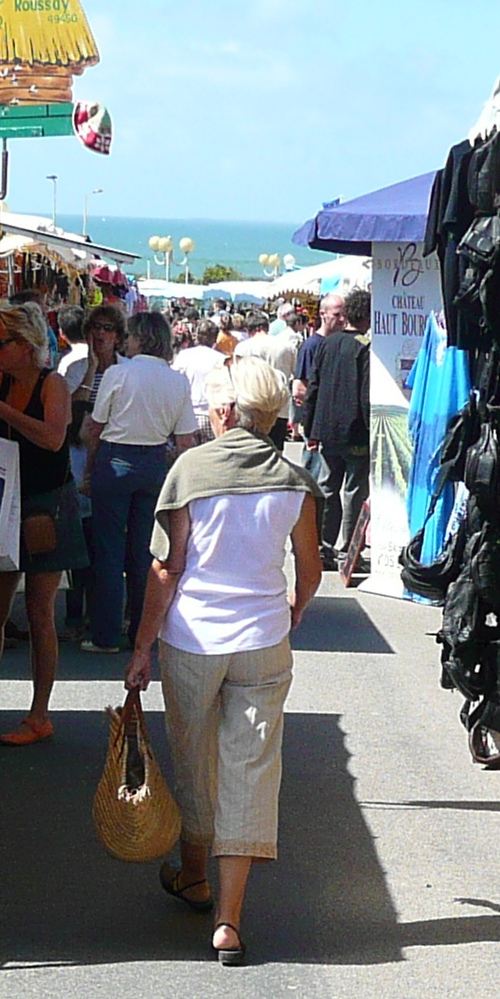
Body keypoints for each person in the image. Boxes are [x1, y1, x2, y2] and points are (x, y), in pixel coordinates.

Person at [128, 359, 319, 967]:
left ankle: (194, 875)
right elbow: (310, 569)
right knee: (252, 768)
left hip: (193, 640)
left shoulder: (191, 471)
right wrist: (292, 608)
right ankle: (228, 922)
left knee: (193, 756)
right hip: (264, 638)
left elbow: (167, 567)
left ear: (229, 412)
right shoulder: (294, 480)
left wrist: (140, 649)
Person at [0, 299, 77, 746]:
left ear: (27, 346)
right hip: (5, 506)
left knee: (39, 611)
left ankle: (39, 714)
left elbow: (53, 437)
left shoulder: (54, 384)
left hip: (47, 506)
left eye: (0, 343)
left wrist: (0, 411)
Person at [82, 311, 196, 652]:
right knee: (144, 551)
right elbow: (186, 440)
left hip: (116, 459)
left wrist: (89, 470)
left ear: (139, 338)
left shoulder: (117, 373)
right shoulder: (177, 381)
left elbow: (95, 428)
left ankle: (105, 633)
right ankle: (139, 629)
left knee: (108, 550)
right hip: (153, 463)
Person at [51, 304, 124, 633]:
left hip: (110, 455)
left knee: (105, 538)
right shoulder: (75, 367)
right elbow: (67, 410)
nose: (100, 334)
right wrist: (93, 370)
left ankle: (104, 611)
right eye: (95, 327)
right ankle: (75, 613)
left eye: (107, 328)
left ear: (118, 335)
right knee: (79, 534)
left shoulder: (127, 370)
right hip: (78, 456)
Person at [294, 288, 374, 582]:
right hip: (355, 431)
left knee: (328, 487)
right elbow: (366, 394)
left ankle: (324, 547)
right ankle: (349, 551)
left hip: (327, 431)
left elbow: (313, 387)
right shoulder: (365, 348)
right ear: (366, 316)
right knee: (354, 490)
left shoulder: (326, 345)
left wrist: (308, 426)